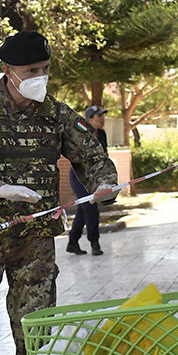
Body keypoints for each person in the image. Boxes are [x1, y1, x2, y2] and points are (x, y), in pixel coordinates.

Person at [0, 30, 119, 355]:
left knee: (36, 333)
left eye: (45, 69)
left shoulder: (57, 114)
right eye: (32, 71)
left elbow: (92, 157)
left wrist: (106, 185)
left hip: (35, 238)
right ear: (9, 70)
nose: (40, 77)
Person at [65, 105, 109, 256]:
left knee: (82, 209)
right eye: (99, 116)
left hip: (94, 175)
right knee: (90, 207)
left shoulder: (102, 134)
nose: (102, 118)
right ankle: (94, 243)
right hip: (79, 176)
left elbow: (104, 156)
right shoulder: (81, 135)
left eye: (103, 115)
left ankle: (72, 242)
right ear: (89, 120)